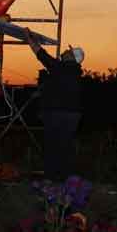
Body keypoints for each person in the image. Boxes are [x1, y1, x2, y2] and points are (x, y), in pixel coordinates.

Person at [28, 38, 84, 181]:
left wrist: (28, 38)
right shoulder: (73, 72)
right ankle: (65, 180)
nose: (65, 51)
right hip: (71, 114)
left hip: (58, 114)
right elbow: (58, 87)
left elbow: (41, 54)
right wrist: (42, 93)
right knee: (65, 147)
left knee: (52, 147)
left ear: (72, 57)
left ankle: (52, 180)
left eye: (69, 51)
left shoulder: (62, 67)